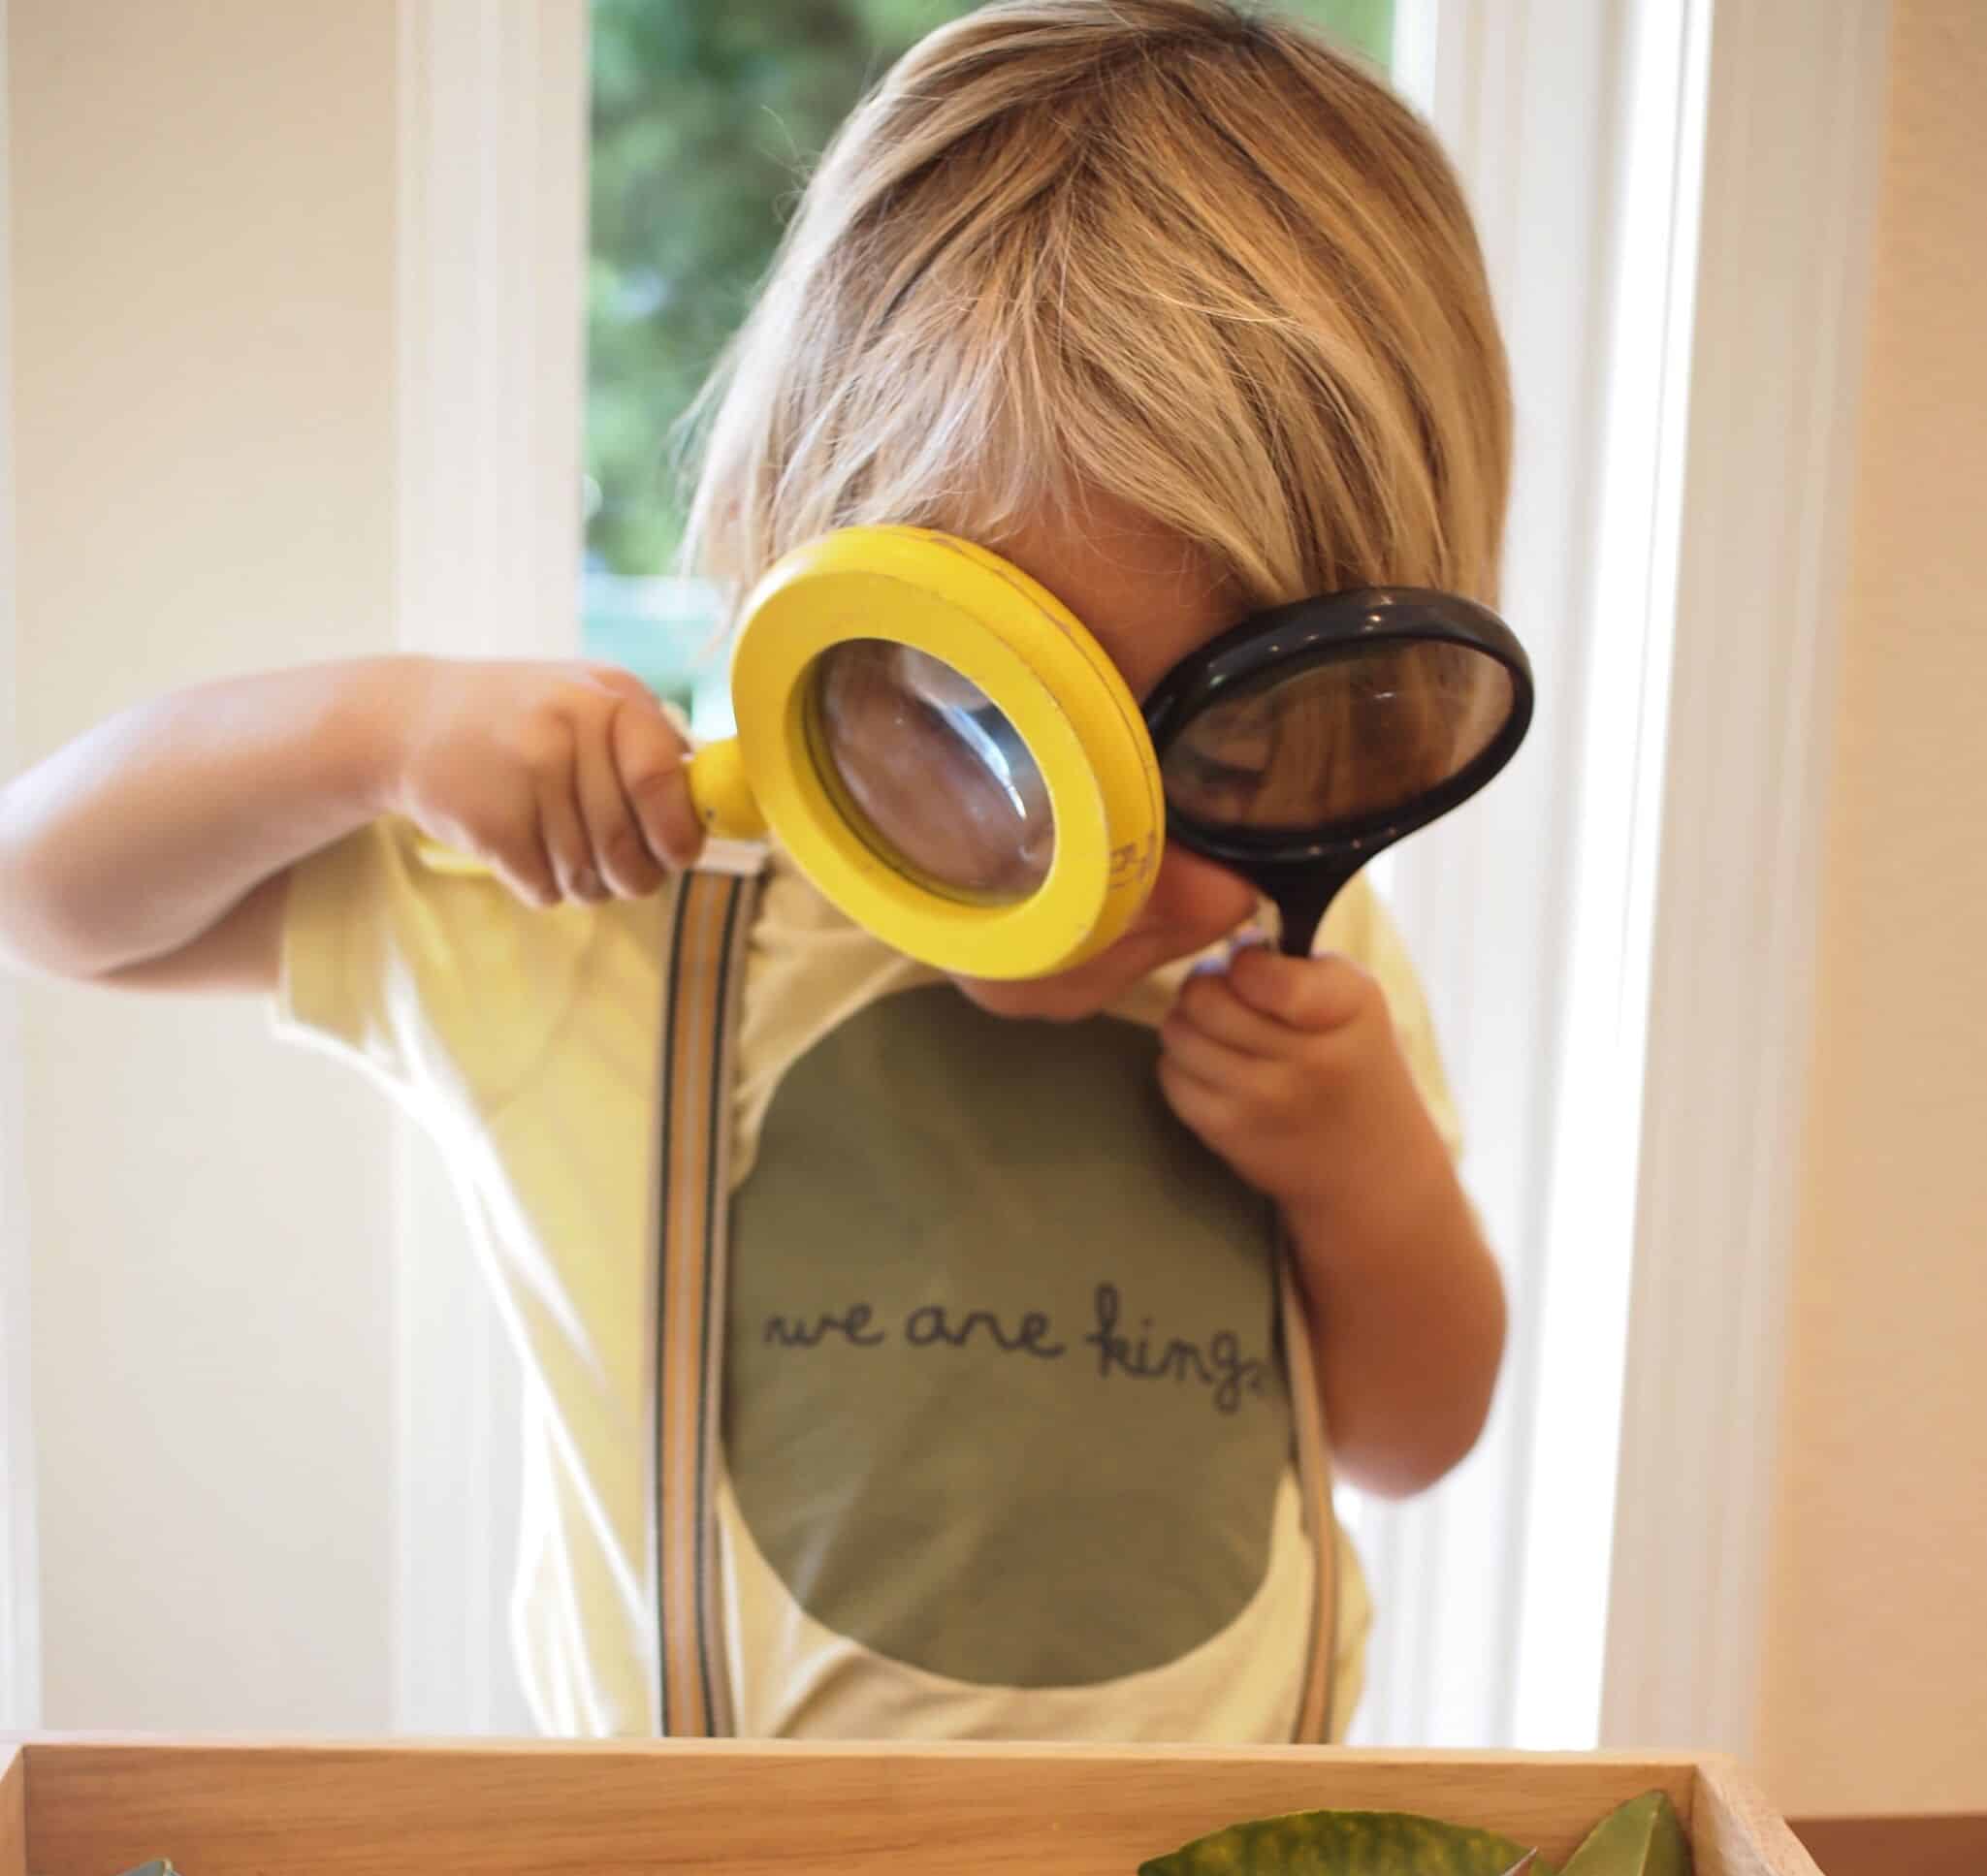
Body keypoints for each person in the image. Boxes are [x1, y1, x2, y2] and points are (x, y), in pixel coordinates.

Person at [0, 0, 1509, 1744]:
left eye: (1229, 755)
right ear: (810, 585)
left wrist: (1366, 1176)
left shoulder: (1306, 959)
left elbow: (1401, 1437)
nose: (1102, 871)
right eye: (981, 726)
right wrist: (374, 733)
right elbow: (49, 895)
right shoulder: (609, 904)